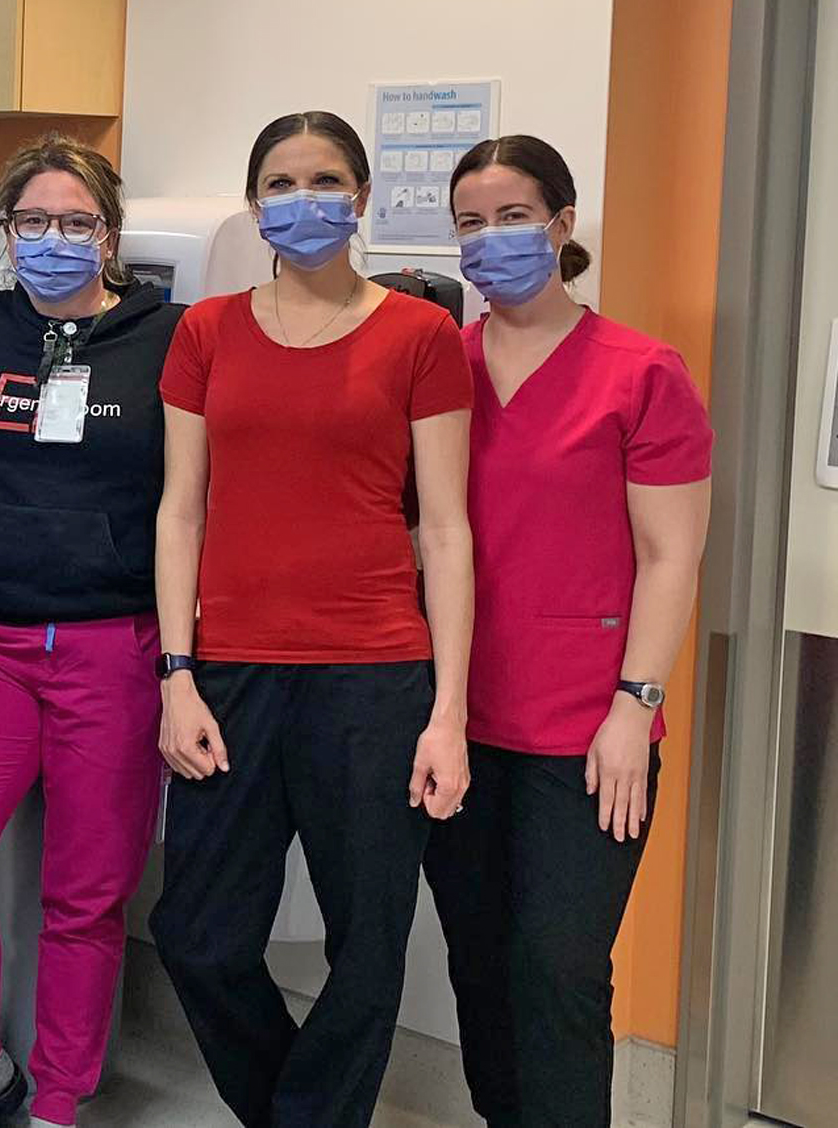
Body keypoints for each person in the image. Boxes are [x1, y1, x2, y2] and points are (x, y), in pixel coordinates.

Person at [148, 110, 475, 1128]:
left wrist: (449, 712)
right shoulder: (206, 331)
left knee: (368, 945)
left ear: (362, 196)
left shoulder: (420, 335)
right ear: (255, 207)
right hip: (229, 674)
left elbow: (445, 530)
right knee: (198, 935)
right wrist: (176, 674)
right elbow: (181, 509)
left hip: (374, 677)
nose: (304, 202)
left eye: (326, 181)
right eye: (280, 185)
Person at [422, 135, 712, 1128]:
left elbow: (670, 556)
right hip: (458, 721)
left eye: (513, 217)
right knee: (478, 963)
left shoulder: (641, 372)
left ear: (562, 224)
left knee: (559, 969)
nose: (490, 238)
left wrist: (635, 706)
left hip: (589, 732)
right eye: (470, 222)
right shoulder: (441, 369)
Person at [0, 134, 184, 1128]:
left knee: (87, 893)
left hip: (115, 644)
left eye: (75, 221)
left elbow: (192, 496)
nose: (52, 239)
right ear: (4, 232)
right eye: (31, 221)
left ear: (108, 234)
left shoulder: (167, 335)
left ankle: (59, 1098)